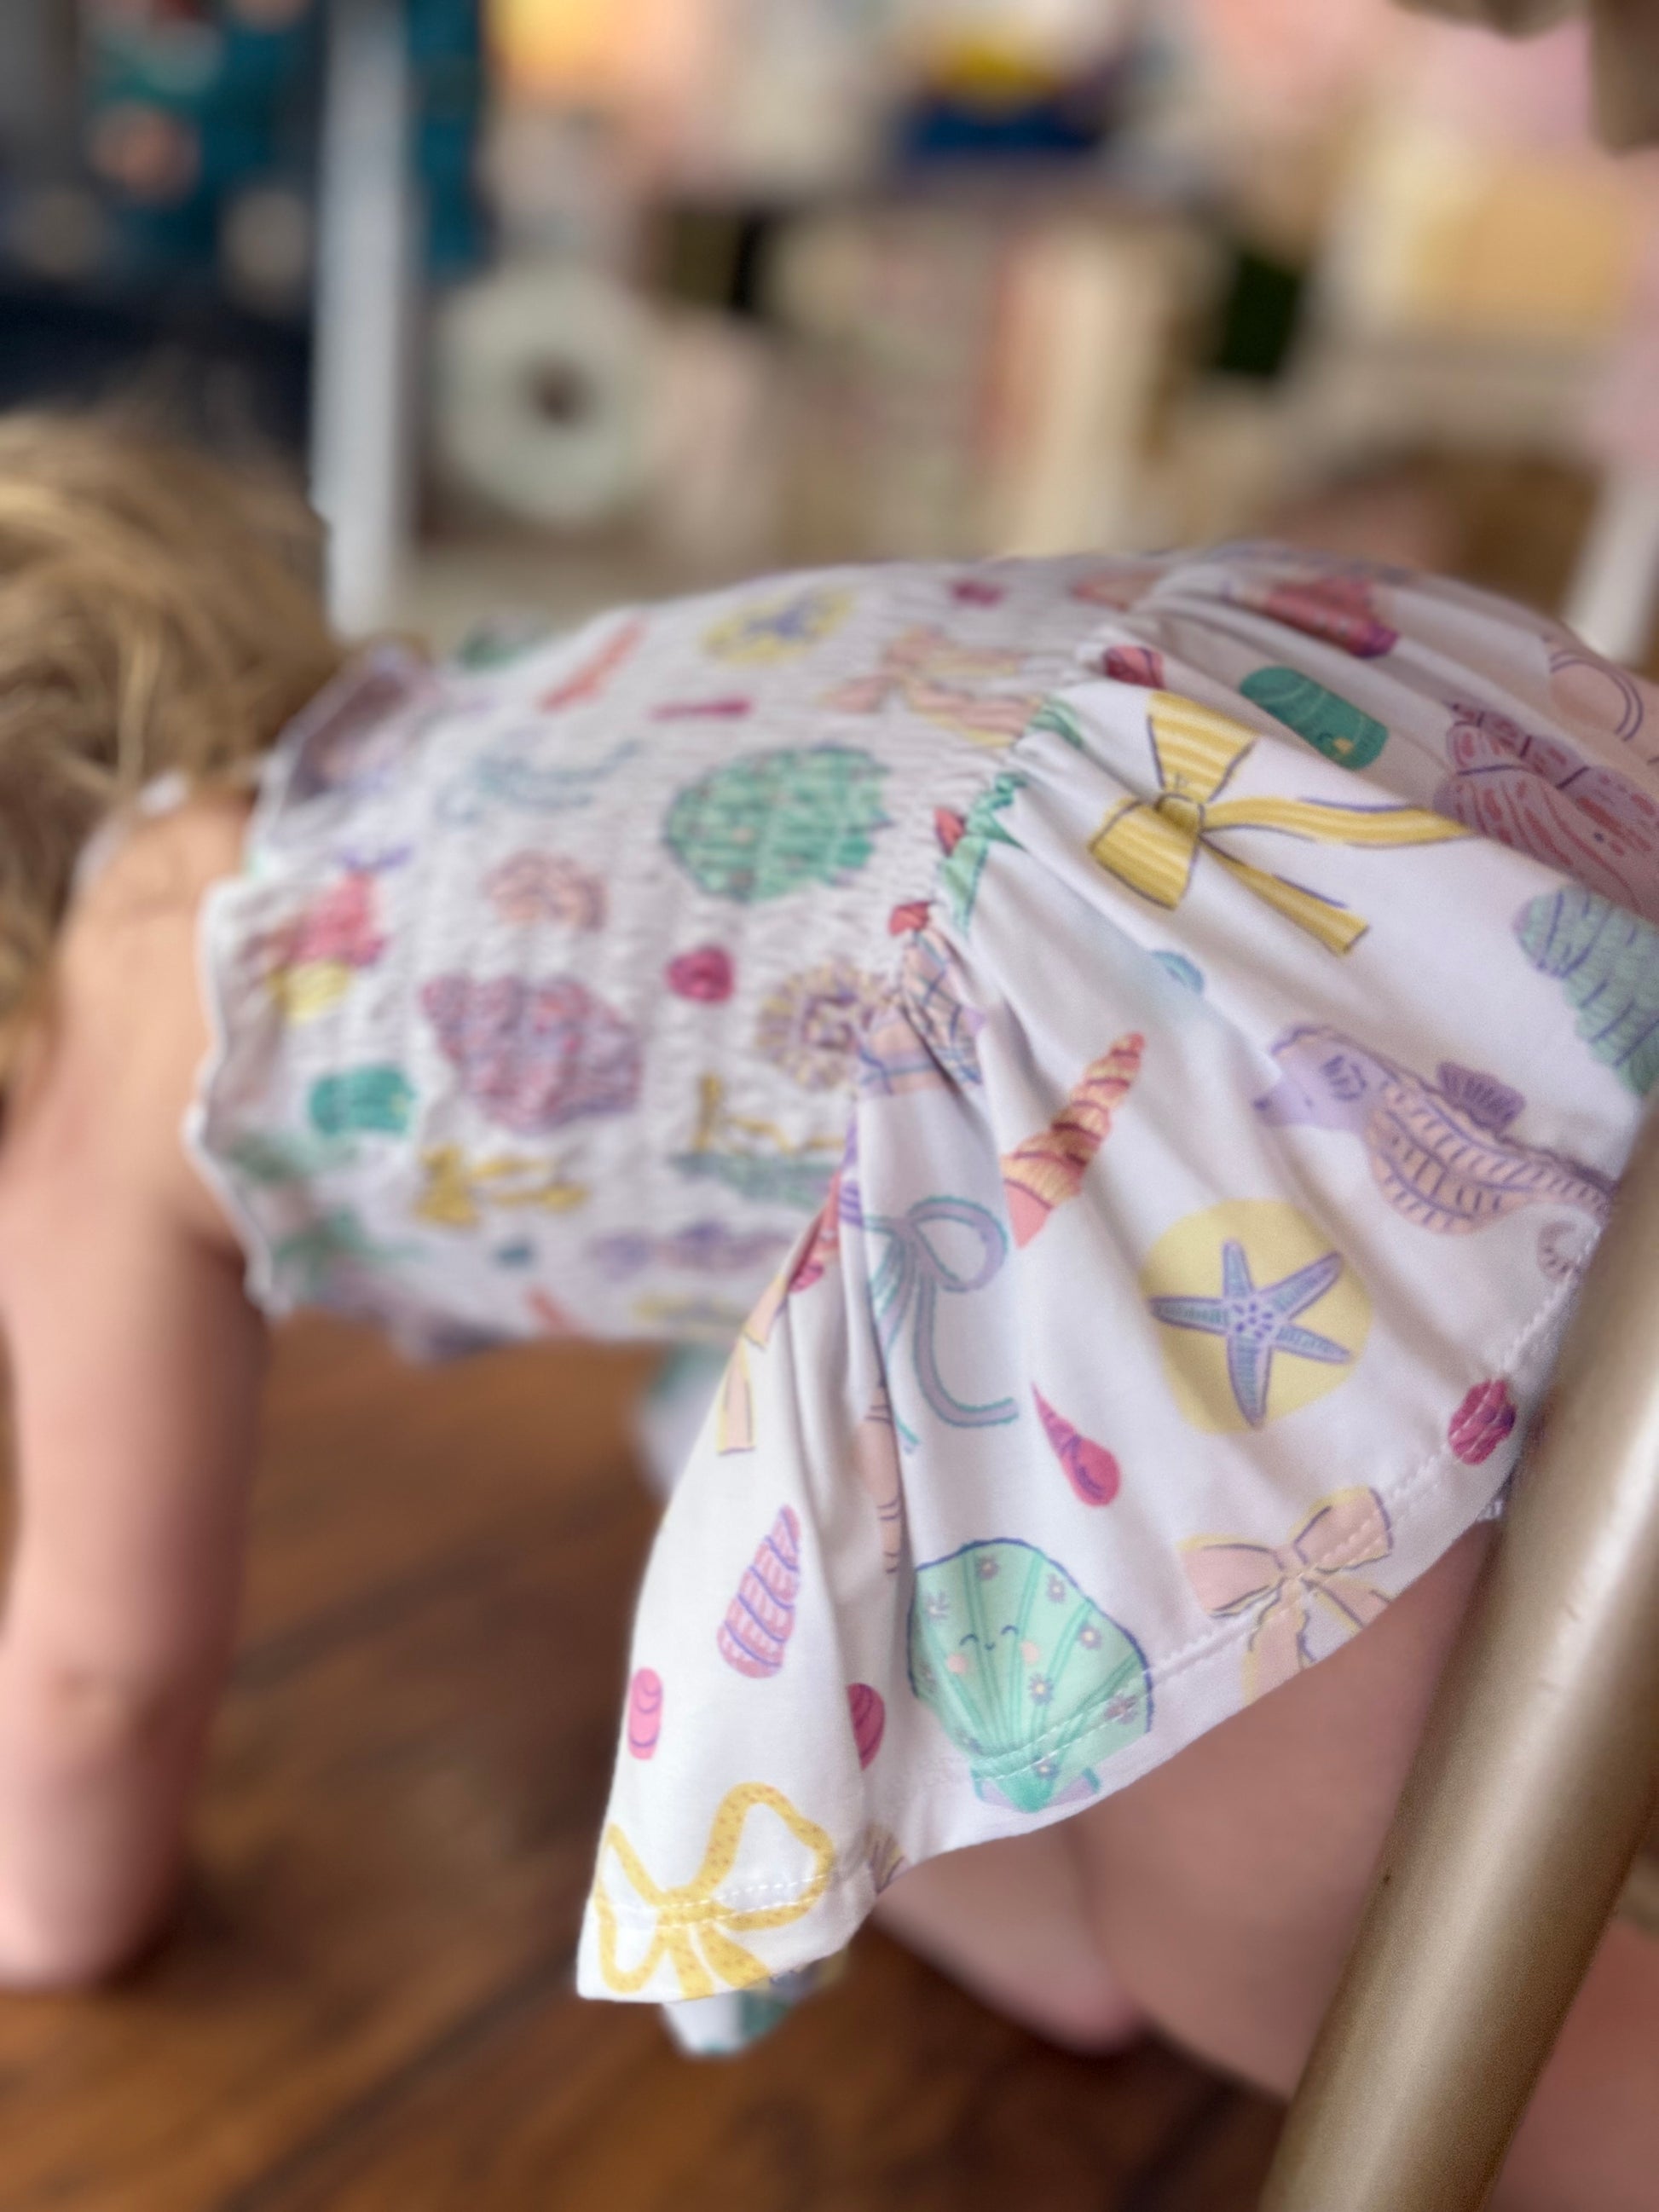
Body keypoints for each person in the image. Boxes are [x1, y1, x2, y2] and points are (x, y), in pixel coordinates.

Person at [0, 412, 1654, 2208]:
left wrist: (38, 1905)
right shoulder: (422, 740)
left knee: (1300, 1969)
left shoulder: (103, 1068)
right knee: (747, 1459)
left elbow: (97, 1684)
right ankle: (1047, 1884)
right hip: (1286, 744)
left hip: (1141, 1049)